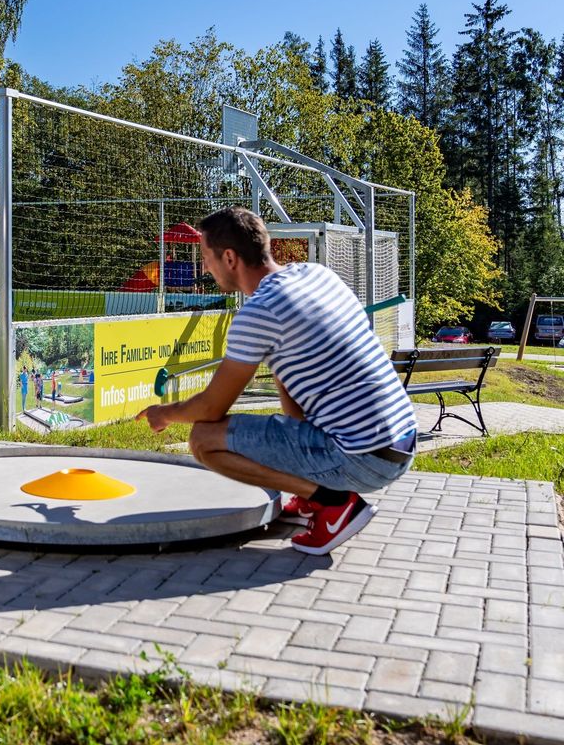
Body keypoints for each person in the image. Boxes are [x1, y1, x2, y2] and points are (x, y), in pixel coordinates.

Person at [137, 206, 417, 555]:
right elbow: (290, 382)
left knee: (204, 439)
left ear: (229, 257)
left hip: (361, 458)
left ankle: (335, 504)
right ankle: (311, 495)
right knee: (281, 397)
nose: (204, 267)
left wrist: (166, 413)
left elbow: (211, 409)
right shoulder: (318, 275)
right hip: (400, 444)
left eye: (206, 257)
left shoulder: (260, 312)